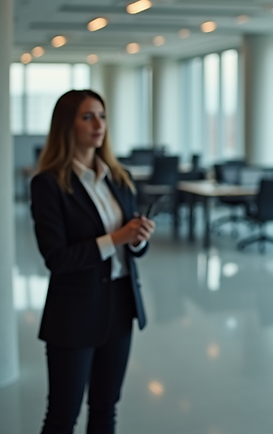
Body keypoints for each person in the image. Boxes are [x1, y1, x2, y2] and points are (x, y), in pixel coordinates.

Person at [30, 89, 156, 434]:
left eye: (101, 115)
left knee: (105, 409)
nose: (98, 124)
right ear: (66, 125)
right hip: (74, 312)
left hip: (119, 305)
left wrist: (137, 239)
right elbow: (56, 258)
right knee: (62, 417)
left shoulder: (119, 178)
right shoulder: (49, 184)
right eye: (87, 116)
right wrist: (117, 237)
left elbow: (131, 250)